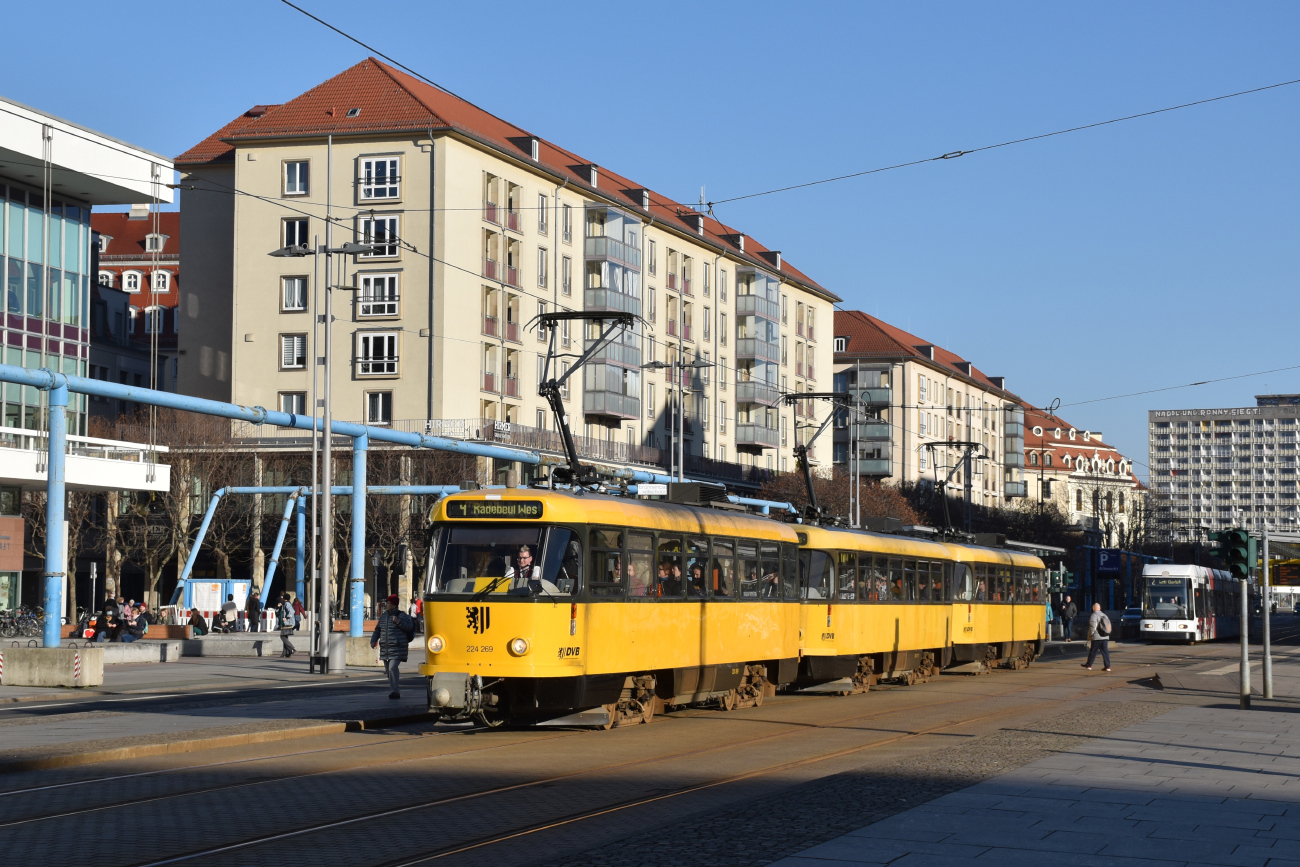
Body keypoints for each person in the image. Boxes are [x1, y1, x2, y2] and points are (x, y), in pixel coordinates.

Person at [371, 594, 415, 699]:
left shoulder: (402, 615)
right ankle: (394, 689)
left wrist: (398, 622)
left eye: (389, 603)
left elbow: (409, 627)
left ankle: (395, 692)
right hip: (386, 648)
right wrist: (374, 640)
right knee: (388, 671)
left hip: (397, 648)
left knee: (392, 668)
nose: (386, 605)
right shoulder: (384, 616)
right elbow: (378, 629)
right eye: (386, 603)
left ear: (394, 605)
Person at [1081, 603, 1112, 672]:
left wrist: (1091, 635)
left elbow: (1093, 626)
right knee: (1105, 651)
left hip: (1097, 636)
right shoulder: (1105, 615)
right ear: (1100, 608)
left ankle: (1089, 665)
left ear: (1093, 608)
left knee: (1093, 651)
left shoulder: (1094, 615)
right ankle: (1107, 666)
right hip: (1105, 636)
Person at [277, 593, 296, 657]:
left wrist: (286, 618)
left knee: (282, 636)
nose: (282, 598)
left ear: (284, 598)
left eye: (283, 598)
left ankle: (292, 649)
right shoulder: (286, 603)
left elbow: (291, 611)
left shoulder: (287, 604)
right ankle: (286, 653)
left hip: (288, 623)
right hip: (288, 623)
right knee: (285, 637)